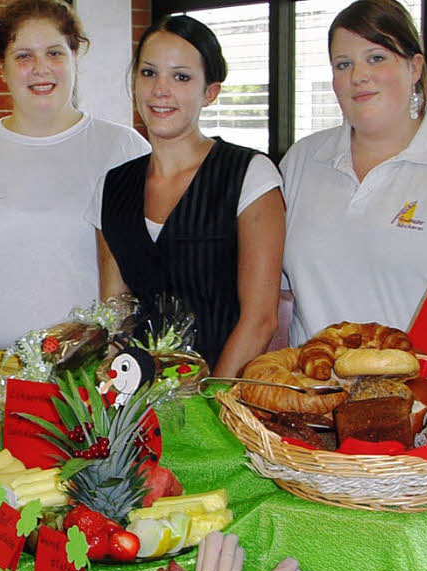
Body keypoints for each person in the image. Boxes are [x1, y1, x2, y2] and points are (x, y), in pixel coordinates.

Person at [0, 0, 150, 443]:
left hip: (81, 391)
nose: (40, 69)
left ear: (76, 55)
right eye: (23, 56)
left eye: (55, 53)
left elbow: (151, 277)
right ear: (0, 64)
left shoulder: (122, 149)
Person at [281, 0, 427, 346]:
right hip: (313, 391)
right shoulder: (302, 160)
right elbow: (276, 292)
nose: (358, 76)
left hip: (425, 395)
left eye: (376, 58)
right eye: (343, 64)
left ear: (414, 67)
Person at [89, 15, 285, 376]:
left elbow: (260, 320)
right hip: (138, 401)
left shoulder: (249, 175)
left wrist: (209, 405)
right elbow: (115, 310)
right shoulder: (112, 186)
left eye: (181, 77)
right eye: (149, 73)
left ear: (210, 92)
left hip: (225, 401)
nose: (160, 89)